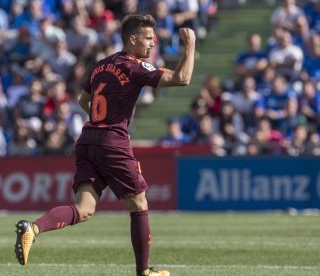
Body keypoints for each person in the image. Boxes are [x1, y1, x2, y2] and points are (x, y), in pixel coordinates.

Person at [14, 14, 196, 276]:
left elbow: (83, 100)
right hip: (112, 141)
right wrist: (189, 45)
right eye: (147, 38)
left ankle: (33, 228)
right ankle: (144, 271)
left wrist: (103, 121)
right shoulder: (133, 66)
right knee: (139, 204)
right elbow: (182, 79)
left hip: (88, 139)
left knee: (83, 209)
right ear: (132, 40)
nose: (152, 44)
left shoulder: (101, 65)